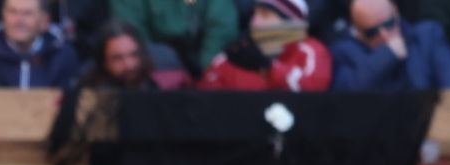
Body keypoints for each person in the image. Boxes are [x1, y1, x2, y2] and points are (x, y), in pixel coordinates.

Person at [330, 0, 450, 88]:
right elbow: (347, 93)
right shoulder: (343, 52)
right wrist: (387, 55)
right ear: (358, 32)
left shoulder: (428, 36)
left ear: (396, 12)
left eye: (388, 24)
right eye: (372, 32)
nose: (384, 36)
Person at [200, 0, 333, 91]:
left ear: (290, 23)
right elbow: (206, 92)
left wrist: (269, 67)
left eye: (265, 15)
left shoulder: (310, 50)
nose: (255, 22)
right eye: (254, 14)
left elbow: (314, 87)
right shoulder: (238, 53)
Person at [110, 0, 239, 77]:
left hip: (204, 60)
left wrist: (208, 72)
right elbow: (132, 32)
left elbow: (222, 27)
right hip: (154, 69)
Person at [0, 0, 81, 86]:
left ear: (44, 21)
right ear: (3, 16)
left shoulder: (62, 55)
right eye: (13, 12)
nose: (19, 20)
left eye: (27, 13)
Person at [78, 18, 158, 86]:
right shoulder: (89, 96)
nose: (129, 65)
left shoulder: (150, 84)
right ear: (103, 62)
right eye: (117, 58)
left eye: (133, 55)